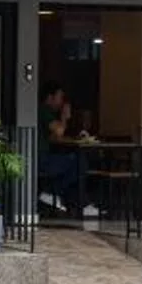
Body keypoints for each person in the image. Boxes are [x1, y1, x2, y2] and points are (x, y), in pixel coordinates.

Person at [39, 86, 84, 215]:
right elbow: (59, 131)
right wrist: (64, 117)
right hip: (41, 158)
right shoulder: (44, 111)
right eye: (60, 97)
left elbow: (55, 136)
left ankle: (53, 194)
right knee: (78, 163)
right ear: (50, 97)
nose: (61, 102)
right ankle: (51, 193)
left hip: (44, 155)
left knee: (76, 161)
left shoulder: (47, 113)